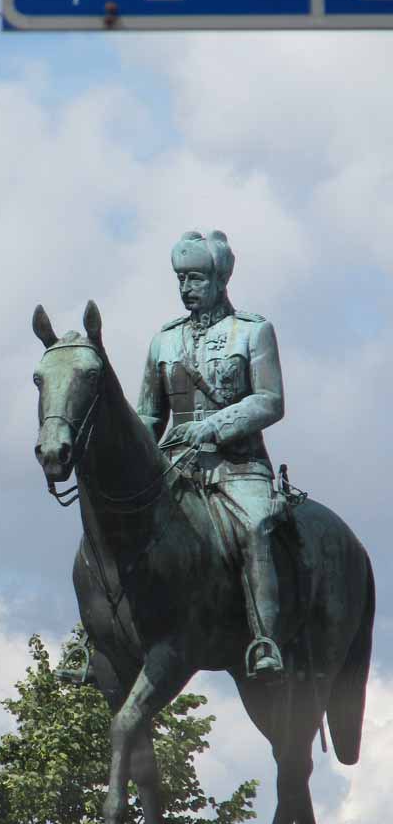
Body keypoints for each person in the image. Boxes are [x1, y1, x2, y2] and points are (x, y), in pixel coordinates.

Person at [137, 230, 286, 678]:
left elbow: (269, 401)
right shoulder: (163, 341)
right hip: (176, 470)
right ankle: (97, 640)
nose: (186, 288)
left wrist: (213, 427)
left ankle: (264, 640)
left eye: (196, 278)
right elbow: (148, 416)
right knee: (118, 524)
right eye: (181, 278)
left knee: (256, 526)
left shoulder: (252, 332)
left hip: (238, 468)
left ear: (221, 277)